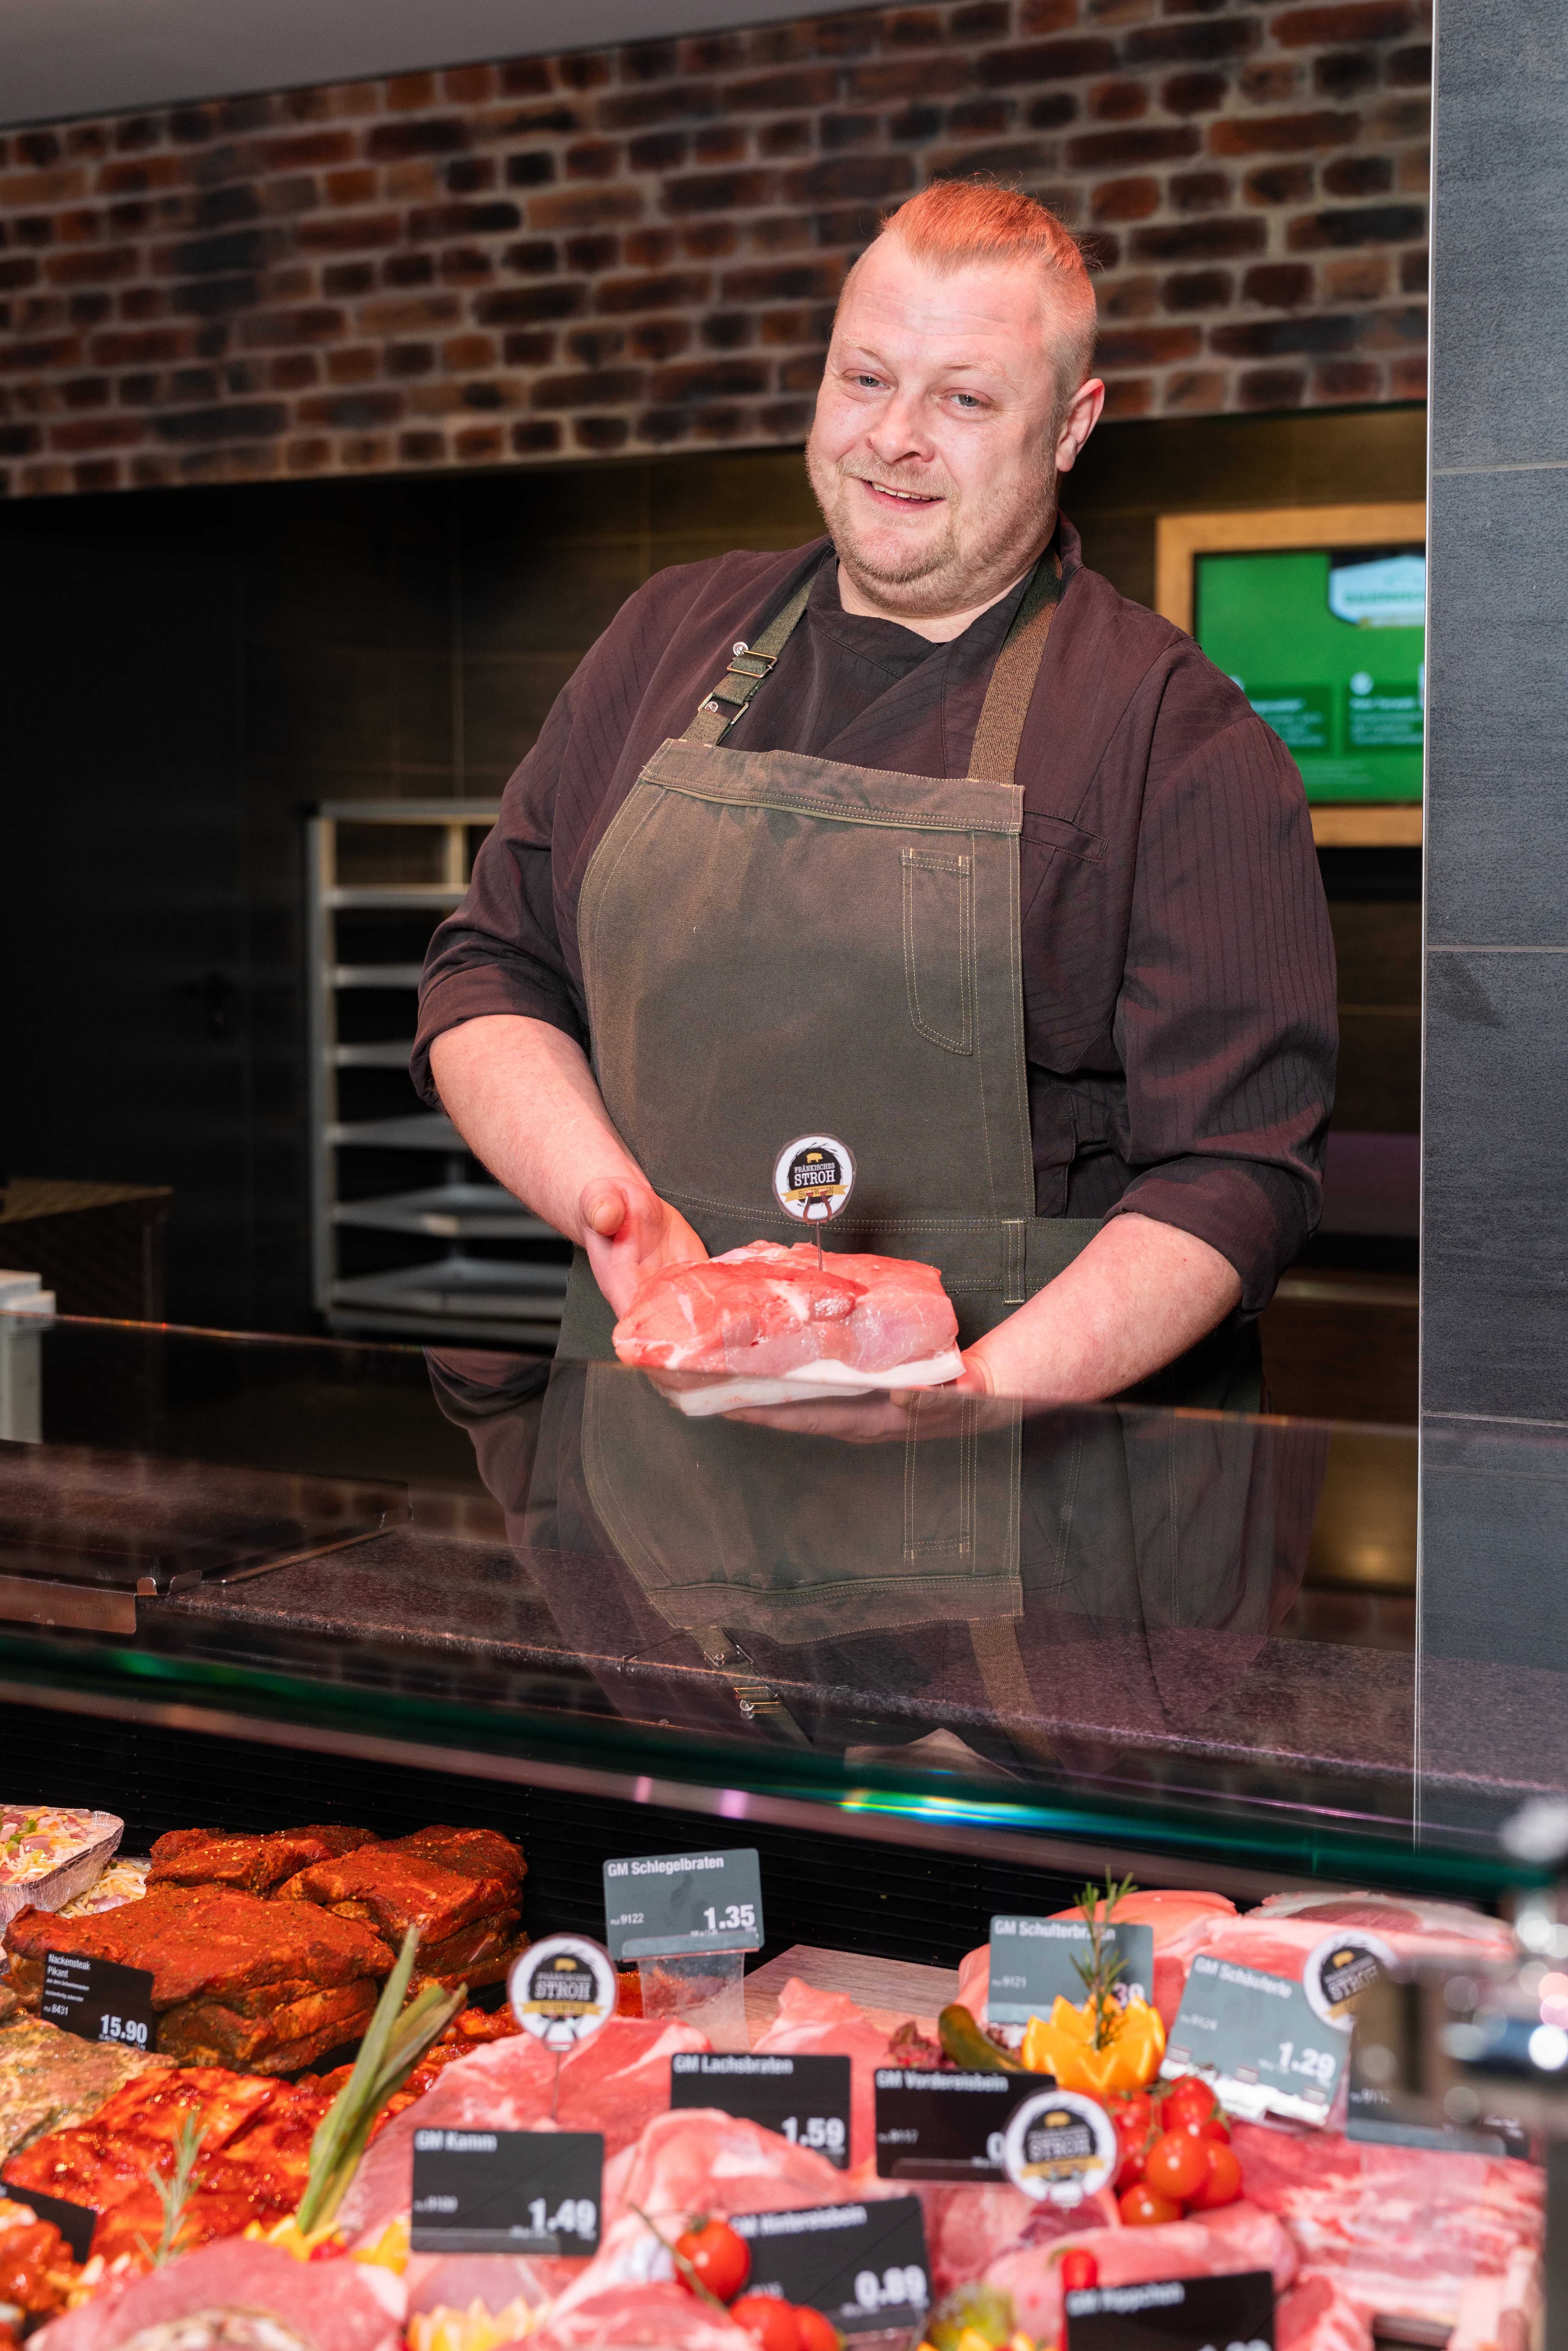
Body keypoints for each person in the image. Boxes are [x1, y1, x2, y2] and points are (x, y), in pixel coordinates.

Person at [413, 179, 1336, 1407]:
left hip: (1014, 1477)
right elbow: (492, 971)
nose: (894, 435)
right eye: (864, 378)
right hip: (653, 1448)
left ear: (1071, 425)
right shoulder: (663, 639)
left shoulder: (1177, 736)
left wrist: (968, 1399)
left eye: (965, 398)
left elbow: (1235, 1171)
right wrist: (607, 1201)